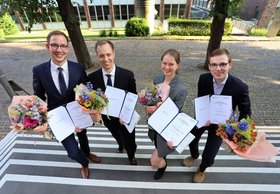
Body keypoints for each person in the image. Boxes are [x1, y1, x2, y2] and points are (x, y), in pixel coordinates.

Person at [32, 30, 101, 179]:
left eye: (63, 46)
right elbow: (39, 97)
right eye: (54, 45)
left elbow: (85, 90)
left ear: (68, 48)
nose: (59, 50)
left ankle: (87, 153)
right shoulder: (39, 70)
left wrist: (92, 109)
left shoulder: (78, 68)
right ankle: (84, 162)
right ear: (47, 46)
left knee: (83, 136)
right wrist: (40, 120)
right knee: (72, 152)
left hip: (79, 113)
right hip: (58, 118)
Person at [183, 48, 251, 183]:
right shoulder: (203, 79)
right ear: (209, 66)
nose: (218, 68)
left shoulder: (240, 87)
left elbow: (245, 112)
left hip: (221, 125)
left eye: (223, 64)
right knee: (190, 139)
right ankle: (194, 155)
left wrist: (237, 130)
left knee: (210, 154)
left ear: (229, 65)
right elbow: (201, 99)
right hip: (204, 119)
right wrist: (202, 116)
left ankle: (202, 169)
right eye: (213, 64)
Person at [87, 40, 138, 165]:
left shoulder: (127, 75)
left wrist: (126, 115)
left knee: (130, 139)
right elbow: (92, 99)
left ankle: (131, 155)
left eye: (108, 54)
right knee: (116, 135)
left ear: (114, 54)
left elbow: (133, 96)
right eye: (101, 56)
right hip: (107, 117)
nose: (106, 59)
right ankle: (121, 145)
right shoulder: (92, 78)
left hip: (124, 117)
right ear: (97, 56)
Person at [146, 49, 187, 180]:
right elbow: (150, 98)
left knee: (154, 163)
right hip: (153, 126)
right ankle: (160, 155)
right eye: (164, 63)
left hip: (166, 130)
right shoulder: (157, 78)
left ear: (177, 65)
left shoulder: (181, 88)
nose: (167, 67)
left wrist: (172, 136)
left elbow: (177, 114)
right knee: (156, 147)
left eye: (171, 64)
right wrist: (148, 107)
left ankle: (163, 165)